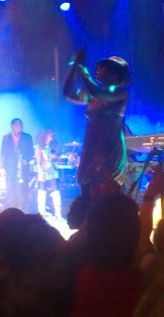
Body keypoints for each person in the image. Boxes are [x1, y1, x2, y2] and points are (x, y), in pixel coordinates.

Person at [63, 49, 131, 200]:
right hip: (92, 146)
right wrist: (75, 68)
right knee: (87, 189)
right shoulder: (93, 95)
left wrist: (83, 70)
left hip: (109, 148)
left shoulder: (120, 93)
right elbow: (68, 93)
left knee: (106, 190)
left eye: (104, 68)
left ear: (114, 74)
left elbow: (97, 92)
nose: (99, 70)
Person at [0, 118, 34, 211]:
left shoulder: (27, 137)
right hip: (10, 165)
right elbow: (3, 153)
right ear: (12, 126)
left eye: (20, 125)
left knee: (24, 186)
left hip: (23, 165)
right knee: (10, 185)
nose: (19, 127)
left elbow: (31, 152)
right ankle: (11, 207)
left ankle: (24, 208)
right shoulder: (6, 137)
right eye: (17, 125)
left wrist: (26, 160)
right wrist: (2, 167)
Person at [35, 128, 62, 220]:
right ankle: (41, 212)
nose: (51, 137)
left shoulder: (51, 146)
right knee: (42, 191)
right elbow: (39, 161)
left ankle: (58, 213)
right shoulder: (39, 147)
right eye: (50, 134)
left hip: (52, 172)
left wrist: (56, 154)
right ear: (45, 135)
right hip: (43, 172)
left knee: (55, 191)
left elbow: (54, 156)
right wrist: (41, 173)